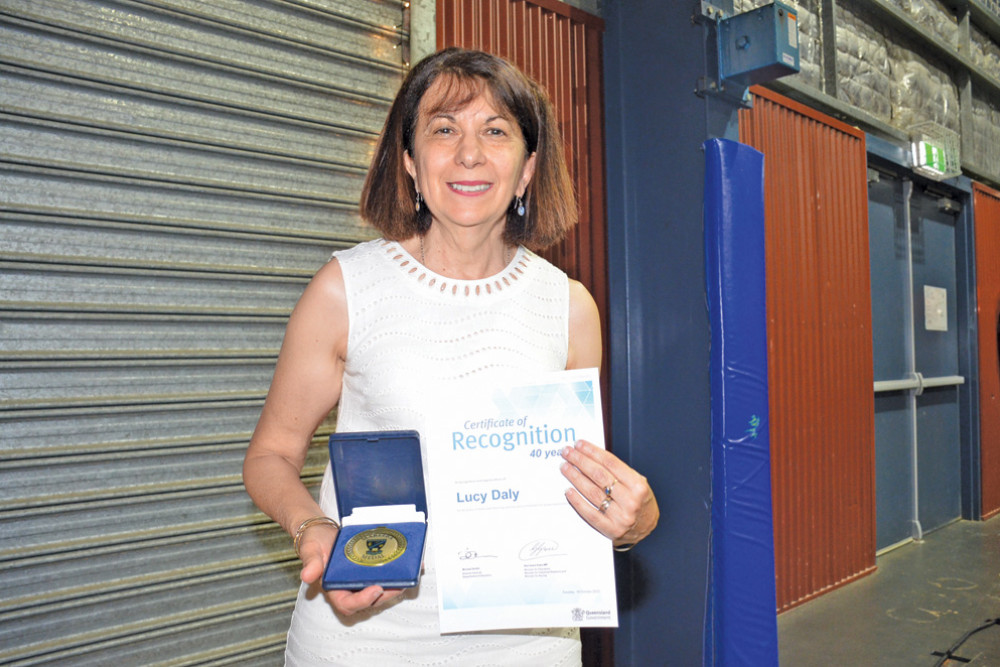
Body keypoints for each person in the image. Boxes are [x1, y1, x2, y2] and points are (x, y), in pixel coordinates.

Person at [243, 47, 659, 666]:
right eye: (444, 129)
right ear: (409, 161)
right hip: (363, 643)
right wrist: (315, 531)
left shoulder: (569, 308)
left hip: (528, 645)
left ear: (526, 170)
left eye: (496, 131)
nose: (469, 153)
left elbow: (576, 475)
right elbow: (270, 455)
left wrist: (635, 519)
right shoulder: (344, 289)